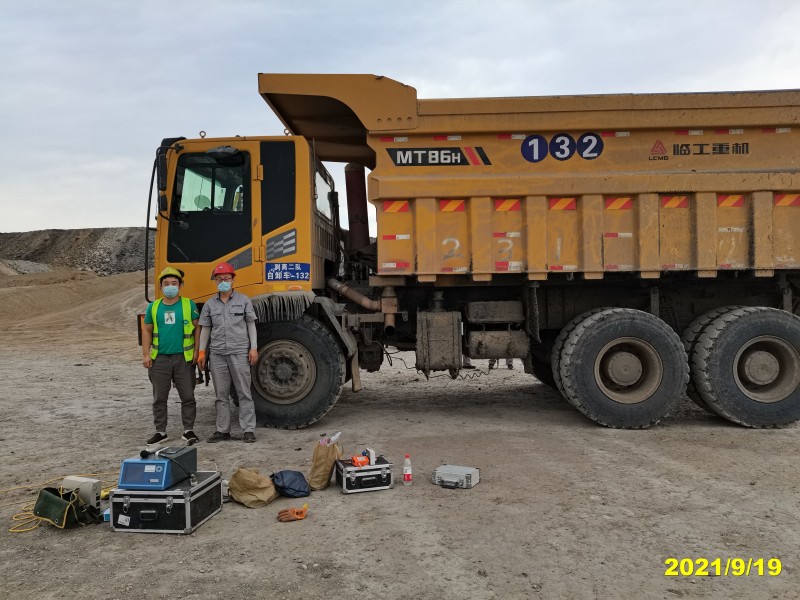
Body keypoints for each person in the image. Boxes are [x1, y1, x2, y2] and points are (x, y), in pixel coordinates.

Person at [197, 262, 259, 443]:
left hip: (239, 352)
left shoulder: (244, 300)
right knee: (221, 395)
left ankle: (248, 430)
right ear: (215, 281)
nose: (223, 282)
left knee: (244, 392)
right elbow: (205, 329)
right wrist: (202, 352)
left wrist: (253, 348)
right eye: (219, 279)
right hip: (217, 355)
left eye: (226, 278)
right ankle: (223, 430)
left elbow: (250, 324)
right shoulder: (210, 304)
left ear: (233, 280)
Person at [141, 267, 200, 445]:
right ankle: (160, 432)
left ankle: (188, 430)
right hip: (160, 359)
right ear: (160, 286)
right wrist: (146, 354)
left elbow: (198, 328)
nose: (170, 286)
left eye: (174, 283)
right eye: (166, 283)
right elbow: (147, 330)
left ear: (180, 285)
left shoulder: (189, 305)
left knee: (188, 396)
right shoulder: (153, 307)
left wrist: (197, 351)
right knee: (159, 398)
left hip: (183, 358)